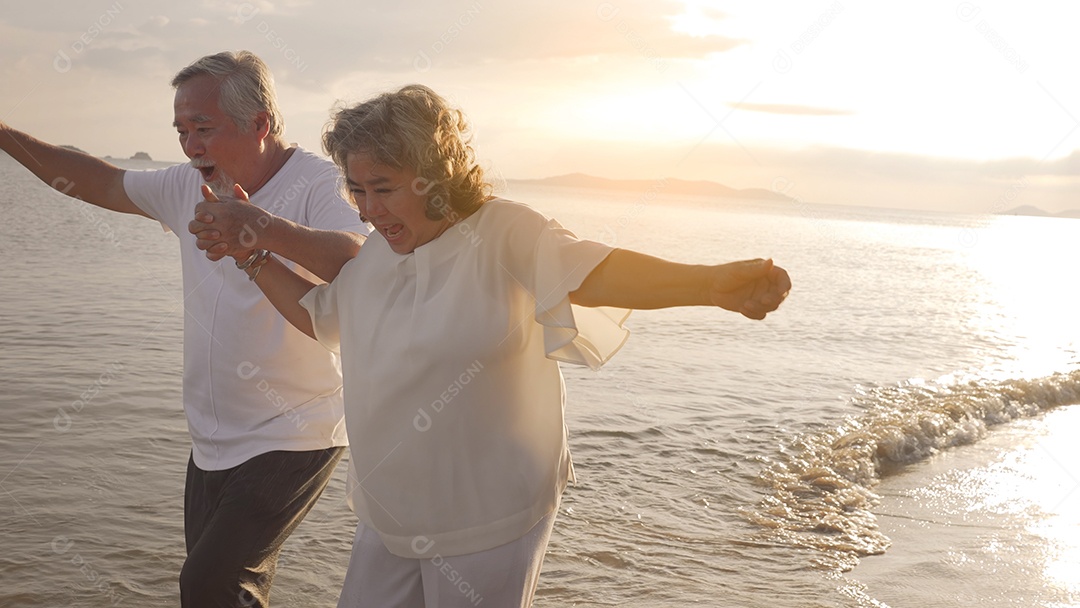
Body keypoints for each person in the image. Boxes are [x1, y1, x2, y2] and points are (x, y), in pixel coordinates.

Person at [192, 84, 790, 607]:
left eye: (384, 188)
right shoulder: (379, 253)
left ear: (434, 175)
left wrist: (707, 284)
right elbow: (322, 316)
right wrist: (252, 256)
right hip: (390, 511)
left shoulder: (503, 231)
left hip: (489, 516)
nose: (370, 210)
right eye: (357, 190)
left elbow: (592, 272)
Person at [0, 51, 368, 607]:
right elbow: (98, 181)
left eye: (203, 128)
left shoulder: (318, 182)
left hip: (297, 431)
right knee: (222, 591)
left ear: (260, 123)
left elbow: (356, 257)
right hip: (211, 439)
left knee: (208, 583)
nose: (190, 145)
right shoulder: (185, 186)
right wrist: (4, 134)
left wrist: (261, 228)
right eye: (181, 131)